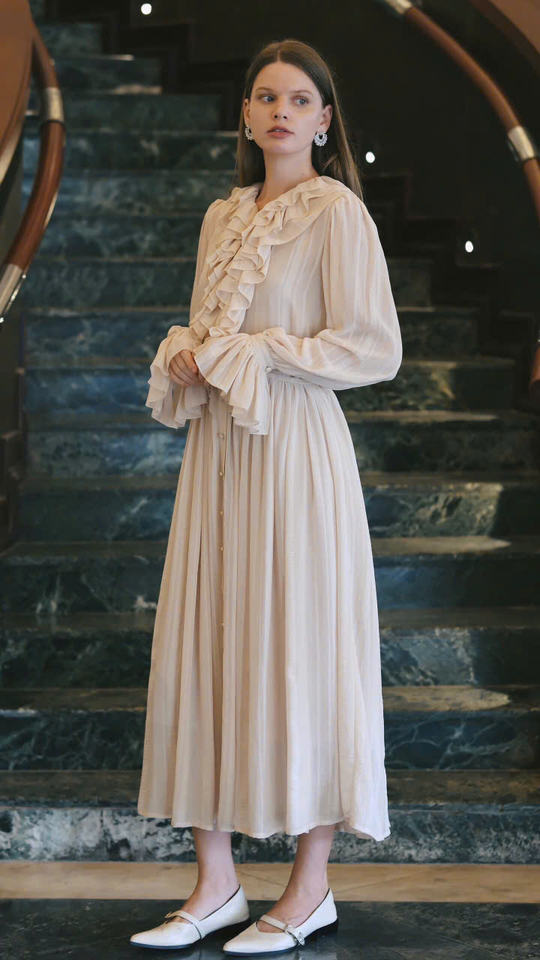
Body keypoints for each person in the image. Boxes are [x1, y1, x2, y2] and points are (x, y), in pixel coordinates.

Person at [131, 37, 402, 953]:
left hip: (293, 451)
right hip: (219, 454)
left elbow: (372, 347)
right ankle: (215, 886)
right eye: (265, 97)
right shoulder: (222, 215)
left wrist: (263, 351)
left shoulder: (338, 214)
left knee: (302, 647)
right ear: (246, 116)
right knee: (209, 641)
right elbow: (211, 325)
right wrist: (189, 349)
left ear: (324, 121)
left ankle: (308, 889)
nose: (281, 111)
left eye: (299, 99)